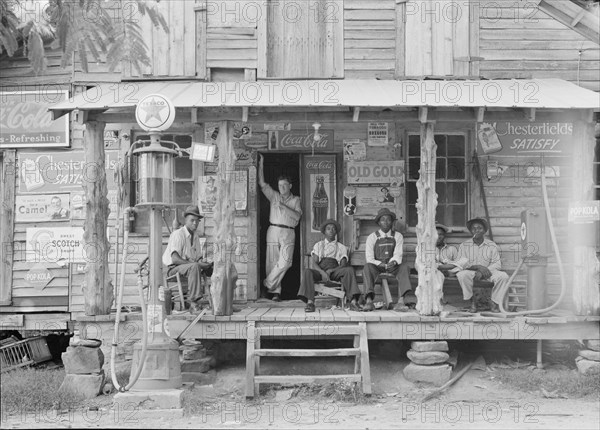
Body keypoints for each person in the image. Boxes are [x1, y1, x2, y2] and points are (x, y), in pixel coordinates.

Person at [258, 154, 302, 301]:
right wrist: (261, 163)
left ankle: (266, 284)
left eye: (284, 185)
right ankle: (275, 292)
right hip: (273, 229)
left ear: (290, 186)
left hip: (289, 231)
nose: (282, 188)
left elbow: (297, 216)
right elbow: (262, 183)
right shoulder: (274, 196)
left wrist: (283, 207)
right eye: (280, 185)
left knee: (285, 262)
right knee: (272, 261)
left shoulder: (296, 200)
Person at [298, 219, 361, 312]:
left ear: (336, 232)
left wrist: (332, 270)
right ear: (324, 231)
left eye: (333, 229)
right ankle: (310, 302)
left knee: (349, 269)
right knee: (307, 271)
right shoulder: (318, 245)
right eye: (328, 229)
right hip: (321, 271)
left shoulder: (341, 247)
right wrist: (322, 272)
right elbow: (314, 263)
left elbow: (343, 264)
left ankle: (353, 302)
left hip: (335, 271)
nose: (331, 230)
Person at [162, 205, 213, 314]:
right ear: (186, 220)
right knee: (195, 266)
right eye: (192, 220)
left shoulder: (195, 236)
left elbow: (198, 258)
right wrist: (195, 264)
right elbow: (175, 259)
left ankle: (216, 301)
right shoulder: (178, 234)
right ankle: (194, 304)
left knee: (211, 267)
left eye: (197, 221)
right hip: (173, 270)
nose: (195, 223)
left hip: (188, 269)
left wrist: (205, 263)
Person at [455, 218, 509, 313]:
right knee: (462, 275)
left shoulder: (491, 245)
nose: (477, 230)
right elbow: (461, 264)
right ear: (471, 231)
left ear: (484, 231)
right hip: (471, 272)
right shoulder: (464, 245)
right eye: (474, 228)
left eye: (480, 228)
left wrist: (484, 270)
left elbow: (497, 264)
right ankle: (472, 302)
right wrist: (478, 267)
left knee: (503, 276)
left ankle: (494, 302)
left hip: (488, 272)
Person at [363, 208, 412, 311]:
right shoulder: (372, 237)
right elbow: (369, 258)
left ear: (392, 222)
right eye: (383, 219)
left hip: (392, 266)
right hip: (377, 266)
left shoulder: (398, 236)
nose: (385, 222)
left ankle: (401, 301)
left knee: (404, 267)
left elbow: (398, 254)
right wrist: (379, 264)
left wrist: (393, 261)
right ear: (379, 222)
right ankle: (369, 301)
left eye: (388, 219)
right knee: (367, 267)